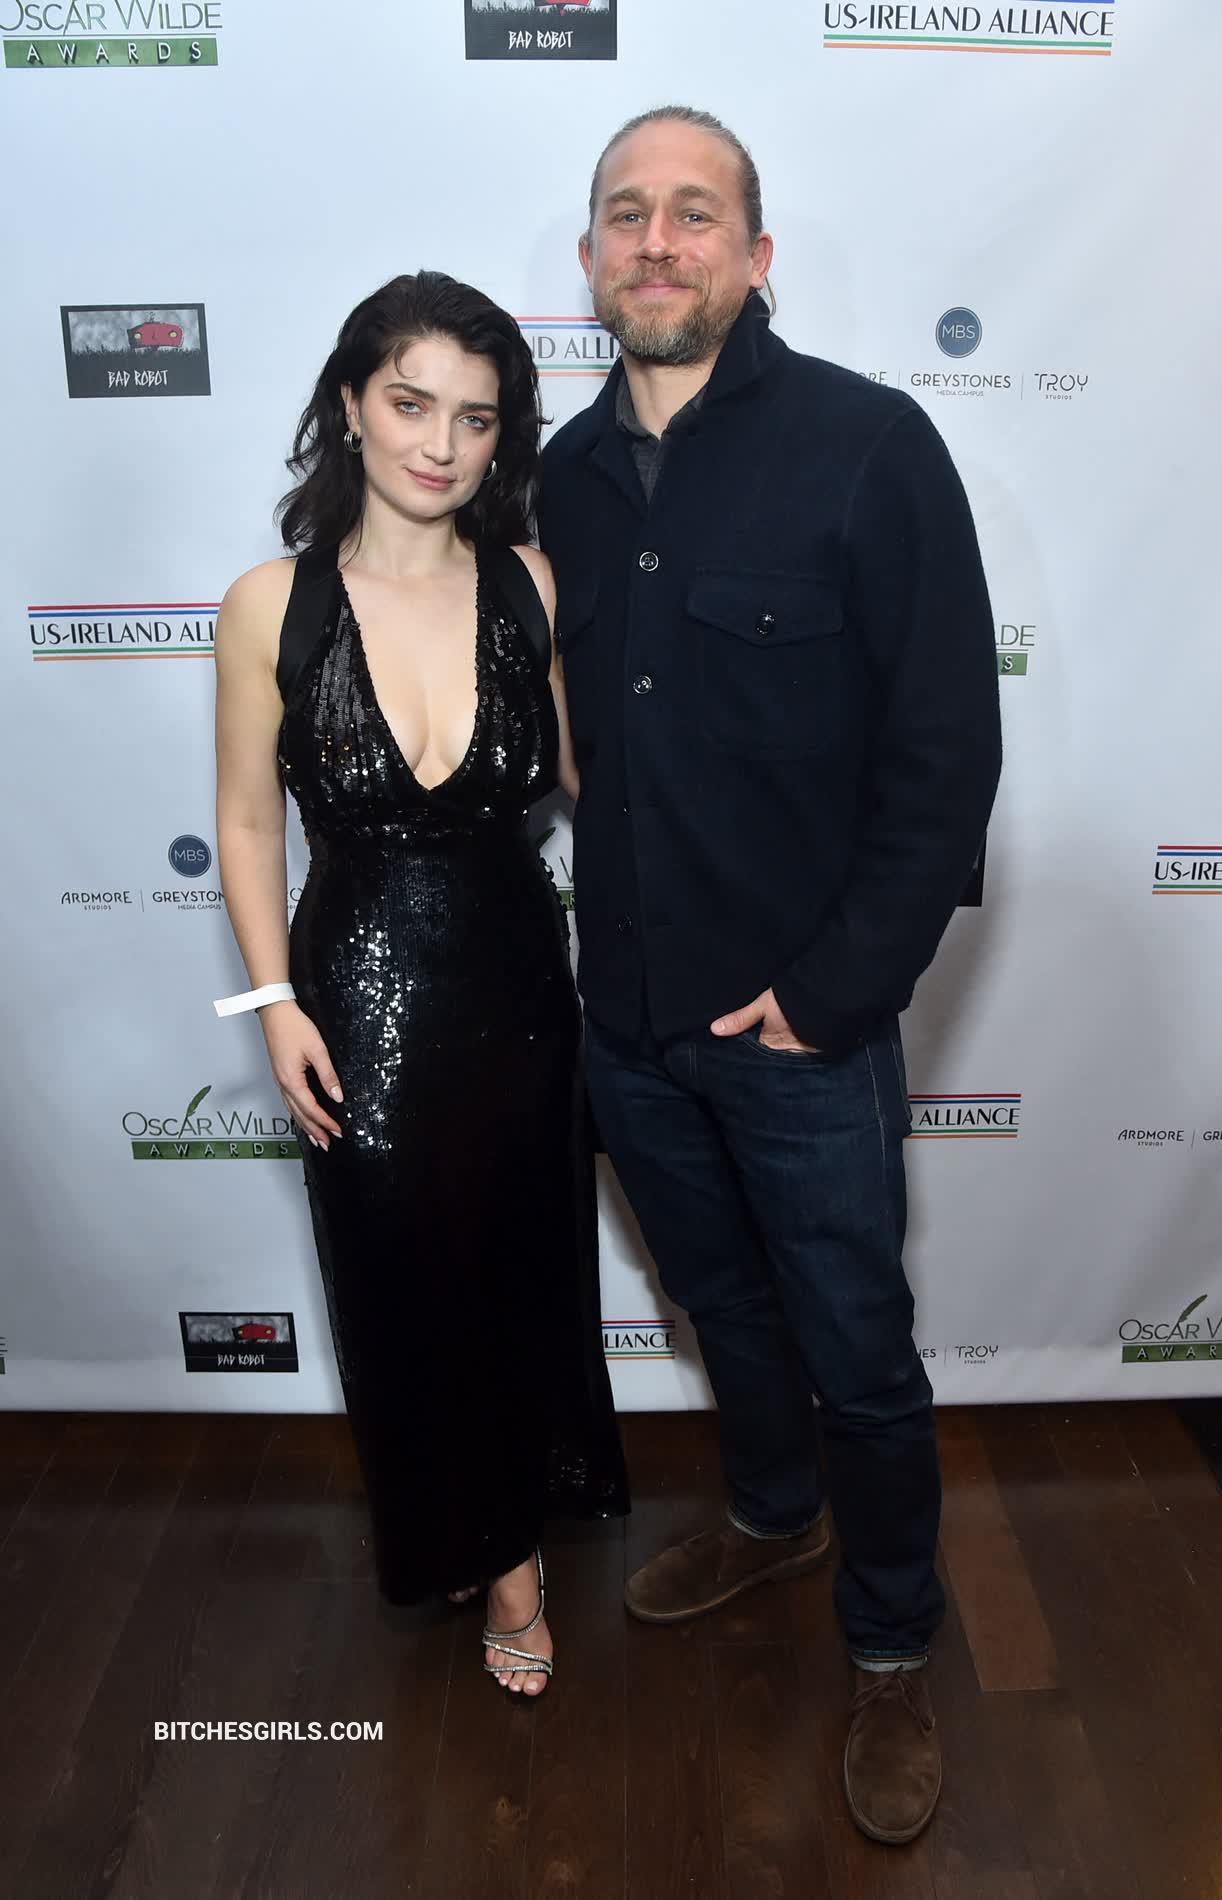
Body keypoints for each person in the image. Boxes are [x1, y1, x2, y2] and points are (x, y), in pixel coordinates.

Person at [537, 109, 1001, 1837]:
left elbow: (945, 755)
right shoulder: (556, 481)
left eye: (694, 213)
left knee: (858, 1351)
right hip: (629, 1025)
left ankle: (889, 1646)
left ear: (755, 253)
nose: (657, 242)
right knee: (722, 1311)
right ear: (590, 258)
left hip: (801, 1032)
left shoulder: (871, 447)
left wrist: (832, 996)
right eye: (625, 215)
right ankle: (774, 1517)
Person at [213, 270, 628, 1699]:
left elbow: (583, 779)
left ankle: (510, 1560)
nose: (441, 444)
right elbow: (248, 823)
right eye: (410, 404)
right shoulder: (271, 605)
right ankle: (451, 1521)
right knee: (400, 1283)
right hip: (357, 1000)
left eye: (476, 417)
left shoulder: (529, 583)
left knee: (517, 1267)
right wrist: (271, 1006)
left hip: (519, 991)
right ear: (350, 406)